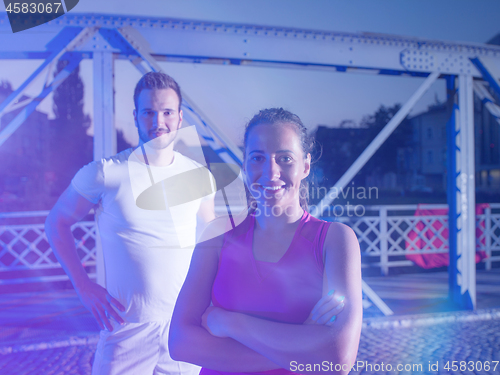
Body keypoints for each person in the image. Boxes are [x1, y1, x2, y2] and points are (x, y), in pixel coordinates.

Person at [169, 108, 362, 375]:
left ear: (305, 166)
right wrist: (302, 343)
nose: (270, 172)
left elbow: (337, 358)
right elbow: (179, 343)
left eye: (285, 159)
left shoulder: (334, 240)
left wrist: (230, 323)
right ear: (245, 164)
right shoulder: (217, 235)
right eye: (257, 158)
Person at [45, 72, 215, 375]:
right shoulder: (105, 174)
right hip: (125, 329)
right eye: (149, 112)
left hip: (184, 327)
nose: (158, 121)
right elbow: (56, 222)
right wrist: (83, 285)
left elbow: (213, 245)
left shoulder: (200, 178)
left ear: (180, 117)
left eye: (166, 112)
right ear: (136, 116)